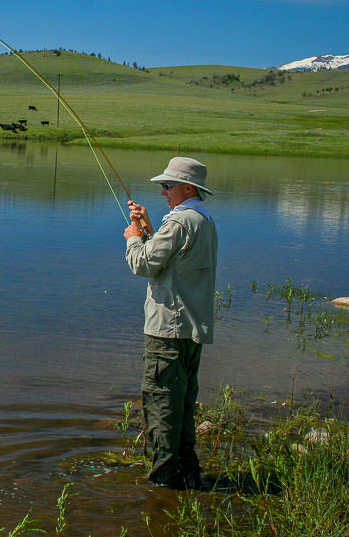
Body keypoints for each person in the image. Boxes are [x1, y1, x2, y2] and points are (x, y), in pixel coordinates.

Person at [123, 157, 218, 489]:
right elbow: (173, 264)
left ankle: (163, 485)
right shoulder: (203, 220)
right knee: (183, 405)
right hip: (191, 330)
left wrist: (134, 237)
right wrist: (150, 227)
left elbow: (144, 265)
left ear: (187, 188)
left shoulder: (178, 223)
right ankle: (190, 477)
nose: (163, 192)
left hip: (167, 331)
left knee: (162, 406)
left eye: (168, 186)